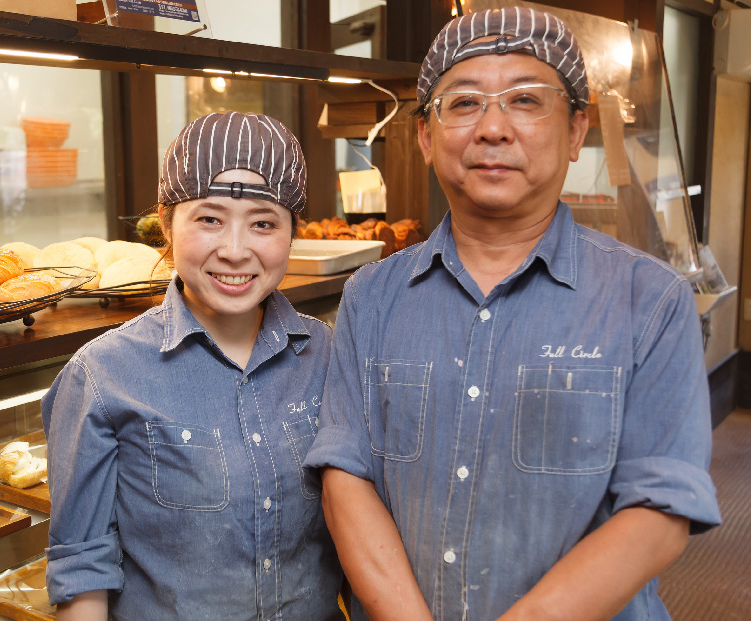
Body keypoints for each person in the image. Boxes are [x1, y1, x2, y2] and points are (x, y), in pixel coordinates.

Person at [303, 7, 722, 621]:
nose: (492, 128)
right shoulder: (371, 295)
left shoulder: (649, 301)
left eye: (525, 100)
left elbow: (660, 511)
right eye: (464, 103)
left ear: (577, 130)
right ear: (425, 136)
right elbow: (346, 479)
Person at [42, 111, 343, 620]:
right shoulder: (102, 375)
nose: (234, 251)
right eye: (208, 219)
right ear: (165, 222)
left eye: (264, 223)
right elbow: (83, 570)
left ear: (294, 231)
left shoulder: (328, 355)